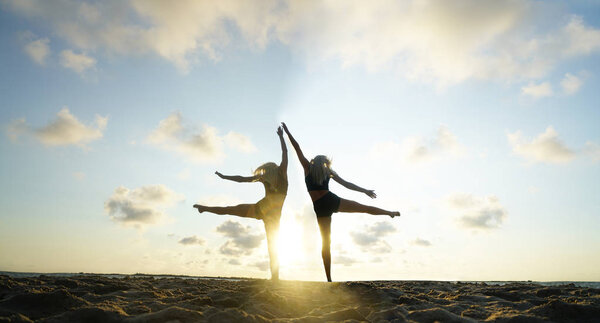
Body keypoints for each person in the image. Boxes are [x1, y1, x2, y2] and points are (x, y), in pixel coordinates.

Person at [281, 122, 399, 282]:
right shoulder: (319, 169)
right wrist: (287, 132)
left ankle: (329, 279)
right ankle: (389, 213)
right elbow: (298, 148)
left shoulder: (309, 168)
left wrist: (287, 132)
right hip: (328, 203)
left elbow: (297, 148)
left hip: (322, 205)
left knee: (327, 241)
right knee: (355, 216)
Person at [193, 126, 288, 280]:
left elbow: (285, 154)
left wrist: (281, 137)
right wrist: (225, 177)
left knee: (272, 244)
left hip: (265, 212)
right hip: (265, 211)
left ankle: (275, 277)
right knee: (232, 210)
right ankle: (205, 208)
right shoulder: (278, 175)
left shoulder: (280, 172)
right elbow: (242, 178)